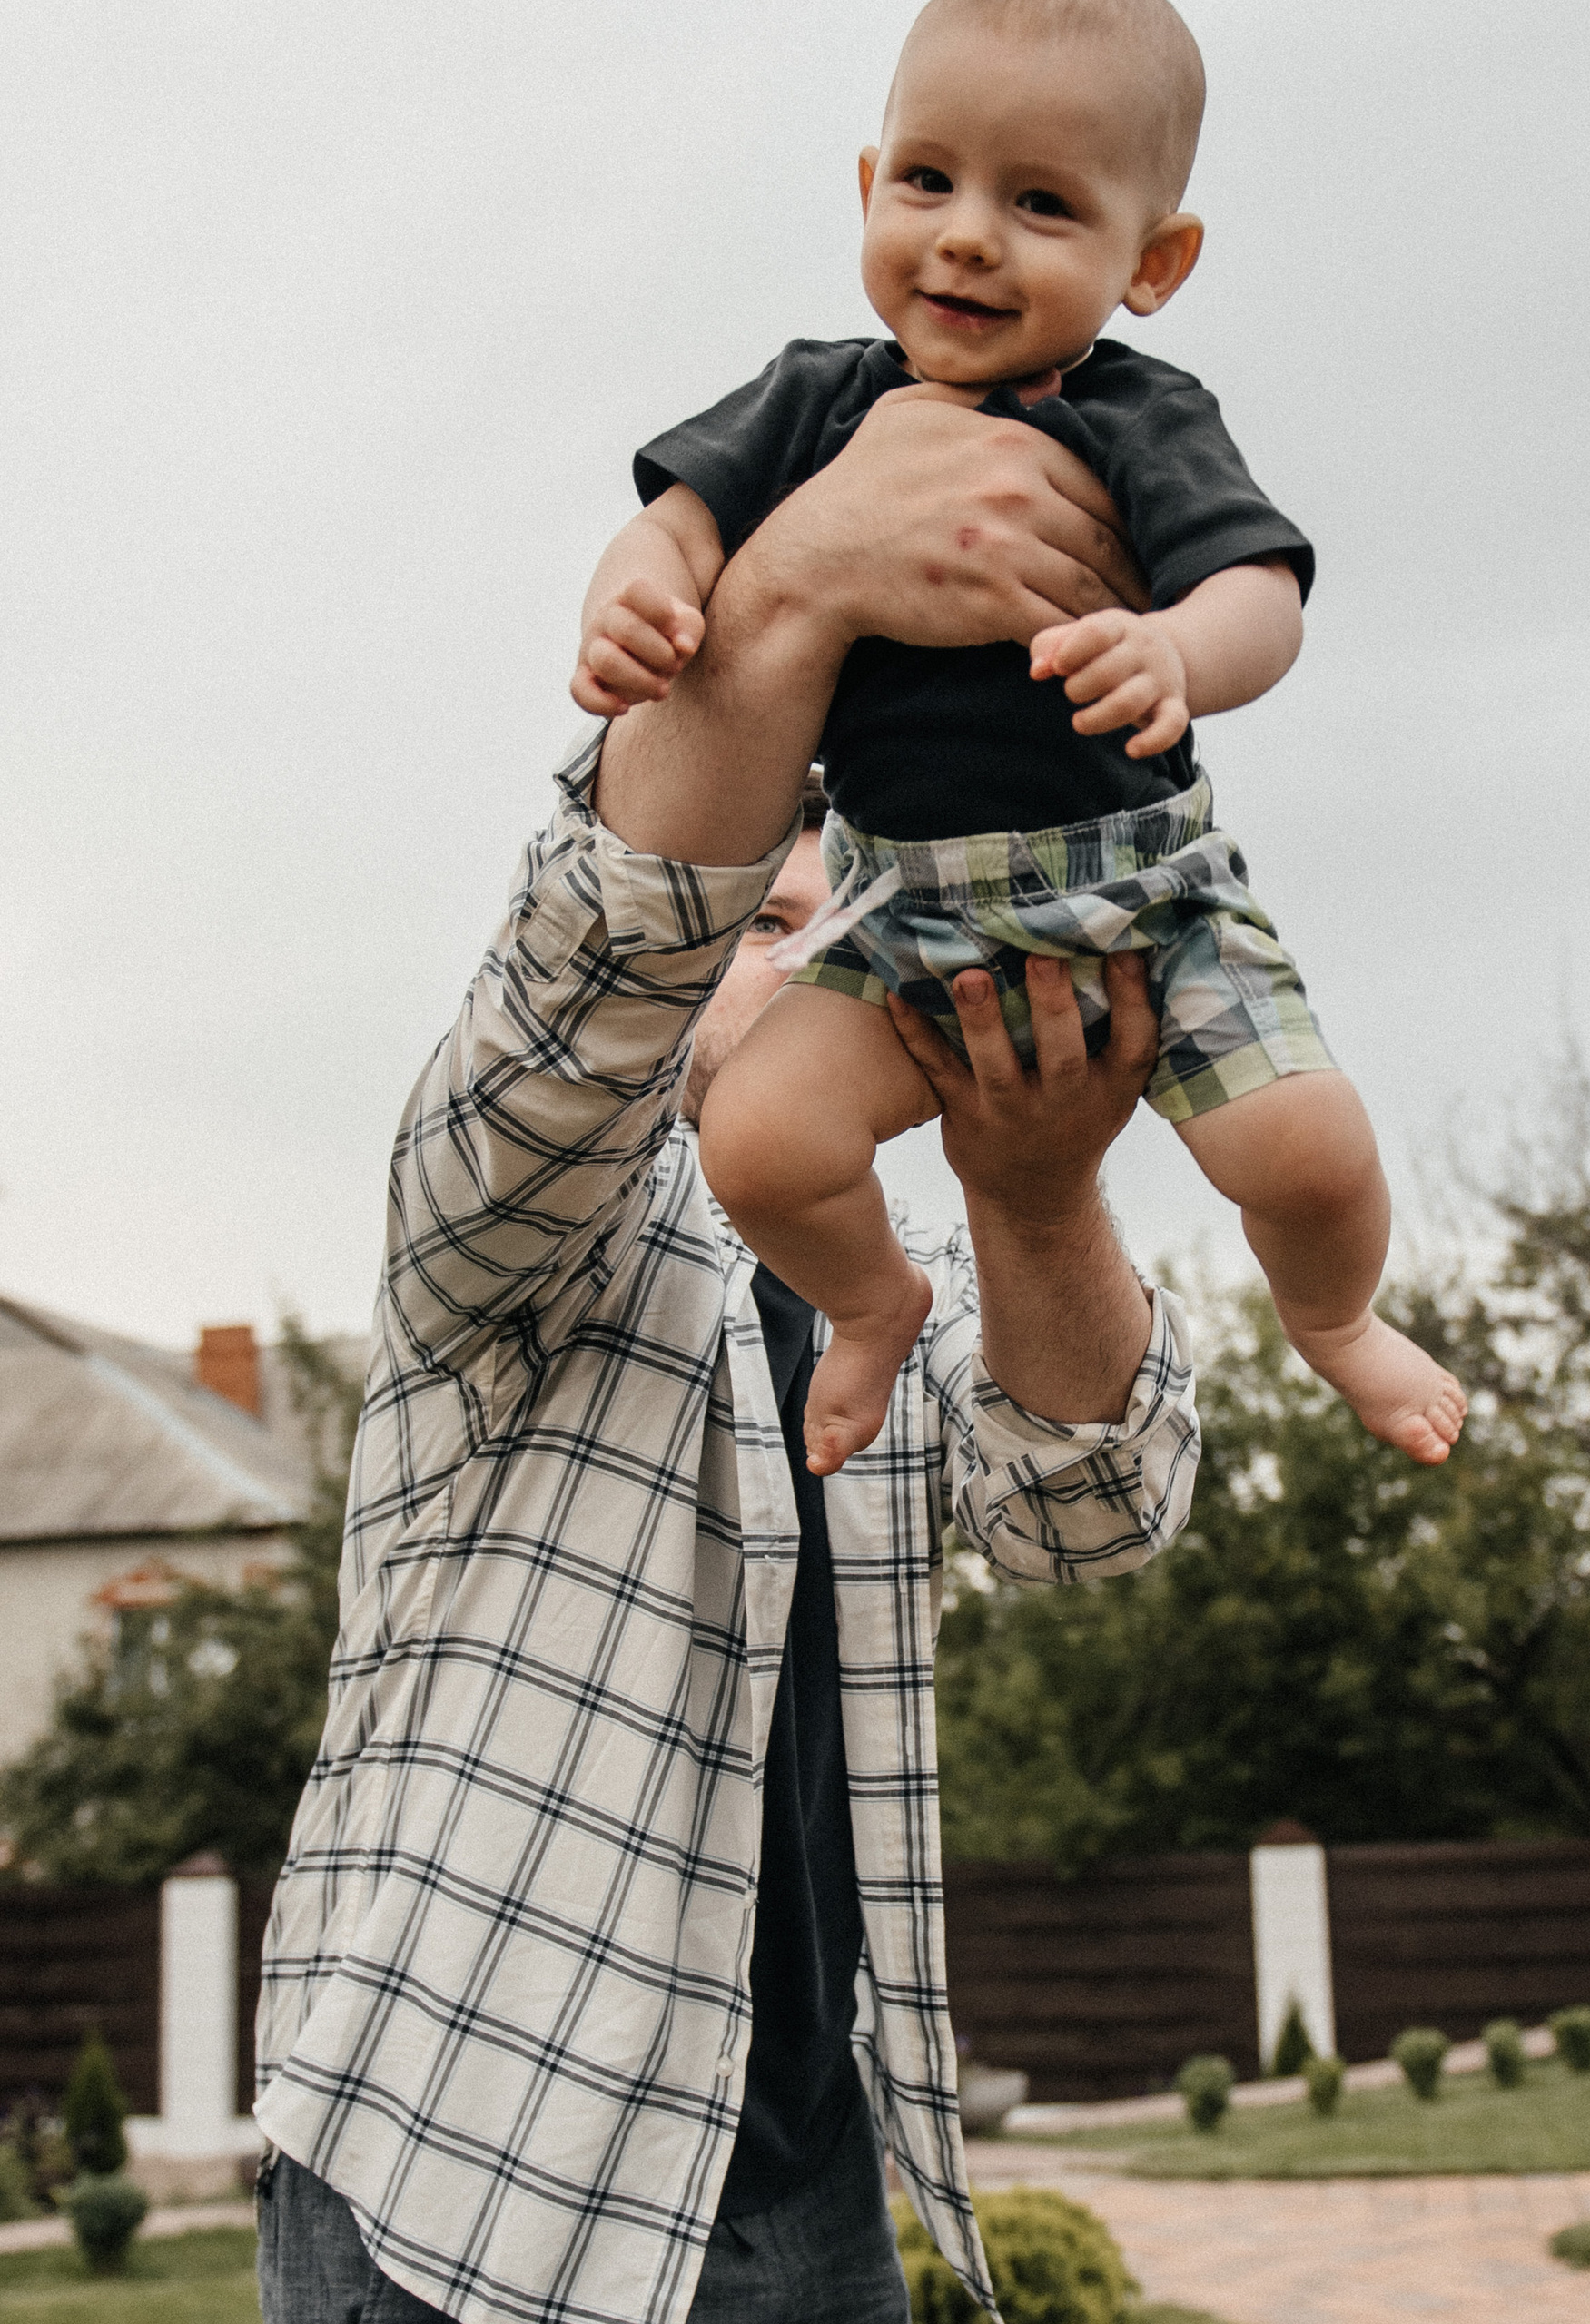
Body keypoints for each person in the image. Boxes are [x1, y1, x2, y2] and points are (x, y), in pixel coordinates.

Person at [254, 395, 1203, 2324]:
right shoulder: (510, 1231)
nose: (779, 957)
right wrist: (786, 597)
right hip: (460, 2160)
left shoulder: (906, 1274)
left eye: (822, 926)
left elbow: (1092, 1514)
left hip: (797, 2178)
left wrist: (1035, 1199)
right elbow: (589, 983)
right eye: (753, 909)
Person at [571, 0, 1467, 1480]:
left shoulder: (1139, 414)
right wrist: (638, 599)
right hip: (897, 917)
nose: (969, 236)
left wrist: (1177, 648)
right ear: (869, 190)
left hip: (1145, 903)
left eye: (1040, 202)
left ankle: (1338, 1320)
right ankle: (872, 1308)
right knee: (759, 1145)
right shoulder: (815, 404)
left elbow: (1263, 595)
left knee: (1307, 1152)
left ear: (1153, 262)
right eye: (929, 182)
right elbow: (671, 523)